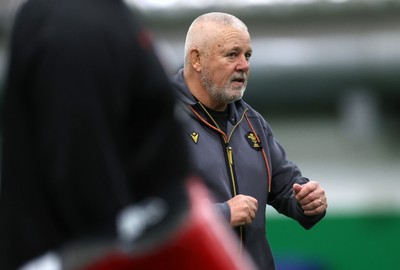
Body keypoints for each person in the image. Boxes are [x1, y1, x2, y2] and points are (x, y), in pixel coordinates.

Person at [0, 2, 256, 270]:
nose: (243, 64)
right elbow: (84, 186)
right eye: (232, 54)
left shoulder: (103, 18)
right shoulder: (77, 25)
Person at [170, 12, 328, 270]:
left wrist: (308, 200)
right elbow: (146, 210)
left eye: (248, 55)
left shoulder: (251, 121)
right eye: (232, 55)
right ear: (197, 59)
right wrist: (222, 214)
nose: (244, 65)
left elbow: (287, 187)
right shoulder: (159, 120)